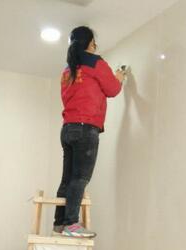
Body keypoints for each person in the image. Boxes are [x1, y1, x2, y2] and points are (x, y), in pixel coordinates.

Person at [53, 26, 124, 238]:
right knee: (80, 178)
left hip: (67, 128)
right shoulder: (95, 62)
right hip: (85, 128)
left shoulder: (67, 70)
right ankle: (71, 224)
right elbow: (112, 89)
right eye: (94, 42)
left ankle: (59, 223)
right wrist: (119, 77)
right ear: (90, 43)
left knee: (67, 178)